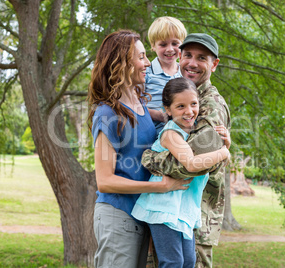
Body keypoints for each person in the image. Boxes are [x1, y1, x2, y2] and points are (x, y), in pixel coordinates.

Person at [87, 29, 190, 268]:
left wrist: (220, 136)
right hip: (118, 216)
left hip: (140, 215)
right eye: (142, 57)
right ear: (122, 63)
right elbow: (104, 180)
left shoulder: (140, 104)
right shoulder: (107, 113)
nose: (147, 63)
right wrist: (160, 187)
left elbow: (173, 126)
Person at [142, 33, 231, 268]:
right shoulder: (186, 95)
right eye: (188, 55)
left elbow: (189, 164)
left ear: (214, 64)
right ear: (180, 57)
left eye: (202, 58)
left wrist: (149, 158)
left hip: (195, 217)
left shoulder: (209, 104)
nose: (192, 63)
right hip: (172, 211)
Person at [145, 16, 187, 134]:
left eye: (175, 43)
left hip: (182, 132)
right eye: (163, 45)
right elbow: (133, 106)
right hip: (153, 135)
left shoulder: (185, 73)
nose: (170, 49)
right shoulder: (146, 72)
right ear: (153, 46)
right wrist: (159, 115)